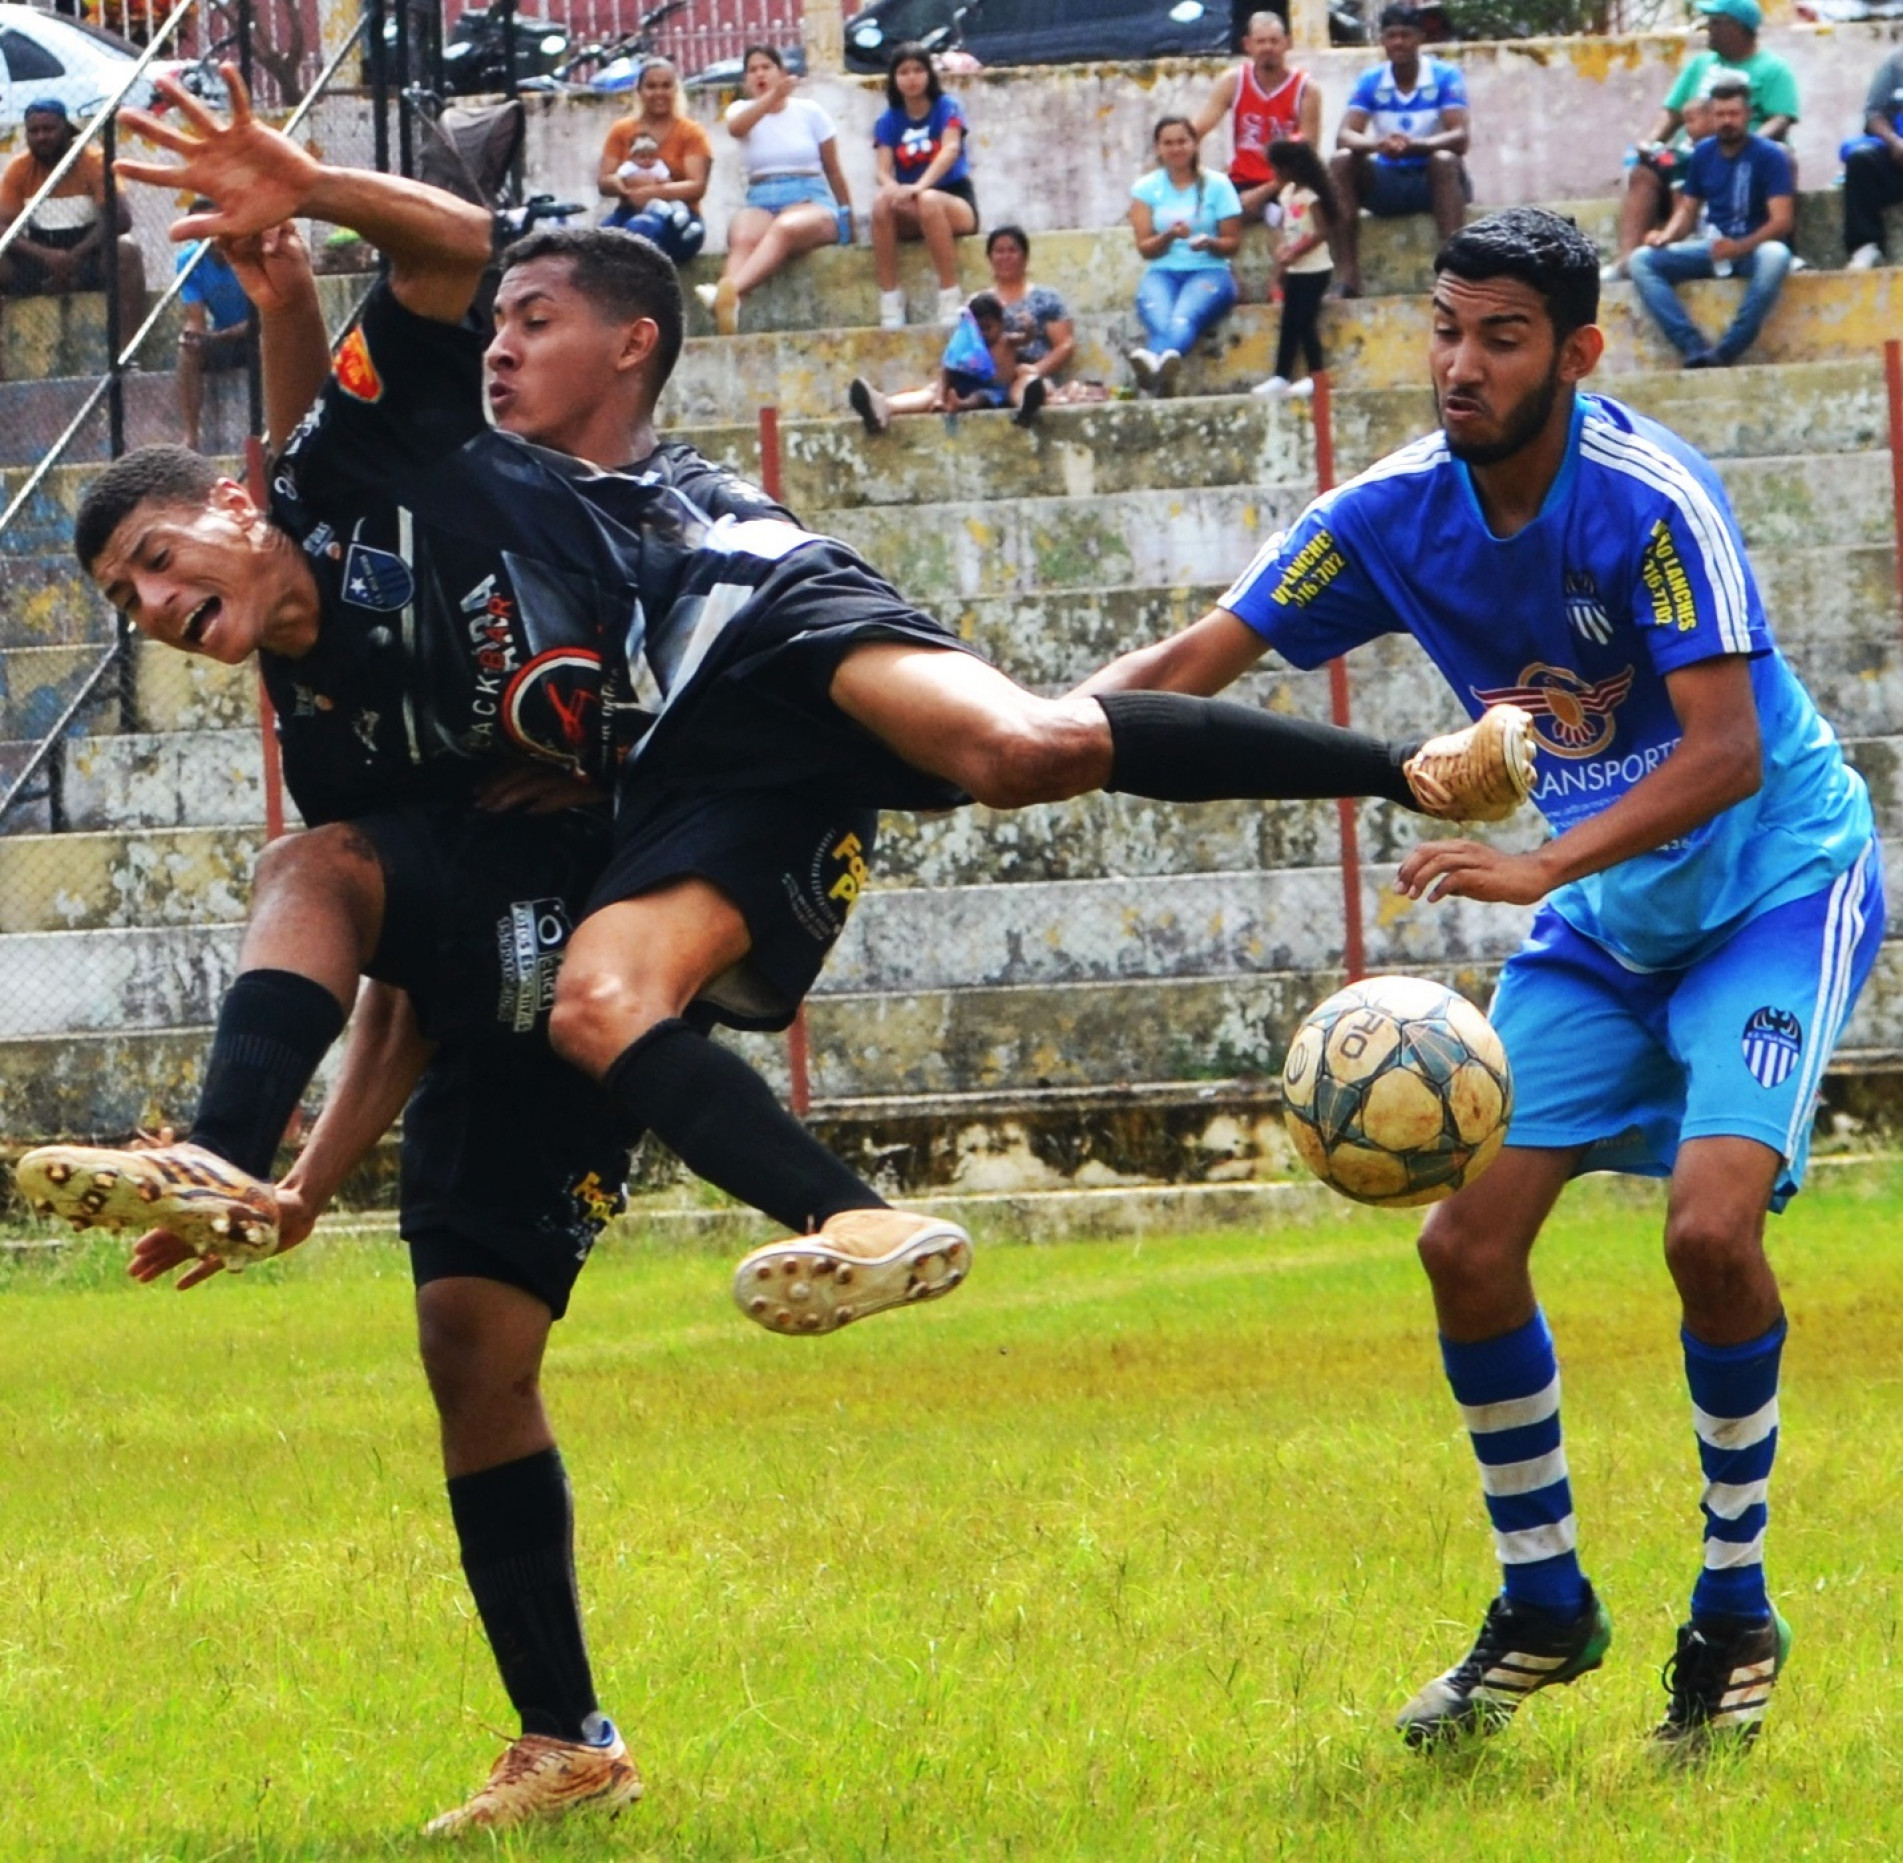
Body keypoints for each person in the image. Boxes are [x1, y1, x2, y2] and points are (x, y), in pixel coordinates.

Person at [1077, 205, 1881, 1754]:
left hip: (1772, 883)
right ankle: (1541, 1602)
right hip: (1603, 915)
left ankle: (1729, 1604)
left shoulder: (1649, 500)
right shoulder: (1388, 513)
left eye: (1498, 336)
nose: (1457, 363)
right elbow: (1195, 660)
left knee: (1708, 1229)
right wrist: (997, 735)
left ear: (1575, 352)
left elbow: (1718, 753)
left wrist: (1532, 865)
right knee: (1463, 1243)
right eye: (1443, 329)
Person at [1604, 0, 1797, 281]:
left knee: (1782, 159)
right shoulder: (1700, 65)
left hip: (1741, 154)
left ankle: (1780, 254)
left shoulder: (1774, 69)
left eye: (1716, 22)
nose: (1709, 29)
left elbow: (1781, 118)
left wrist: (1746, 148)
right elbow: (1671, 113)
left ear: (1738, 28)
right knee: (1645, 172)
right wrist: (1649, 143)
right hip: (1692, 153)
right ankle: (1627, 262)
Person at [1628, 77, 1793, 369]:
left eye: (1733, 114)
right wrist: (1665, 236)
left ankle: (1728, 350)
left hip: (1753, 248)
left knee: (1776, 256)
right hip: (1712, 247)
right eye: (1720, 114)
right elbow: (1688, 209)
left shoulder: (1770, 155)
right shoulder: (1703, 153)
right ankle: (1693, 347)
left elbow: (1782, 221)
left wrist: (1739, 247)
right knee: (1642, 260)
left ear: (1748, 116)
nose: (1727, 121)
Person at [695, 45, 851, 336]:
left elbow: (833, 168)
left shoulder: (810, 112)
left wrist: (846, 215)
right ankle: (729, 310)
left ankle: (728, 293)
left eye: (766, 67)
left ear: (781, 72)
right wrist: (771, 98)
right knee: (742, 235)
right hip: (762, 197)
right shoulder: (741, 110)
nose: (759, 74)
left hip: (809, 197)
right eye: (752, 70)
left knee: (784, 229)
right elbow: (737, 129)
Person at [1329, 4, 1471, 299]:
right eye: (1391, 35)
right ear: (1382, 39)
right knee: (1341, 161)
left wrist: (1414, 145)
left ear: (1420, 37)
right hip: (1389, 182)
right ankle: (1348, 275)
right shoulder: (1372, 80)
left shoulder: (1444, 76)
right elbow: (1344, 135)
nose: (1398, 43)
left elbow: (1460, 137)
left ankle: (1451, 274)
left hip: (1433, 181)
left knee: (1444, 160)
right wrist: (1378, 145)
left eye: (1406, 35)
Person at [0, 97, 147, 331]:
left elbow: (119, 217)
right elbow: (3, 227)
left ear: (66, 130)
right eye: (34, 131)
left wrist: (73, 256)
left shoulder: (93, 161)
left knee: (127, 250)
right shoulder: (19, 169)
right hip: (41, 259)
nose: (41, 137)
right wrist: (47, 256)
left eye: (48, 129)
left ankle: (127, 355)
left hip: (89, 254)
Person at [1127, 115, 1243, 397]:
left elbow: (1233, 242)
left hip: (1210, 270)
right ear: (1158, 148)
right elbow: (1145, 248)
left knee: (1183, 319)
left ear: (1194, 144)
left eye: (1182, 141)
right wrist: (1169, 236)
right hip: (1163, 271)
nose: (1176, 149)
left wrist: (1209, 242)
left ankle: (1152, 367)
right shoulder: (1145, 188)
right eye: (1168, 143)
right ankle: (1161, 367)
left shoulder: (1218, 184)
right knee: (1162, 318)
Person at [870, 42, 980, 329]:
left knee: (929, 200)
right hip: (910, 202)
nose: (911, 77)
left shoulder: (947, 107)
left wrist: (919, 186)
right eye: (903, 71)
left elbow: (950, 150)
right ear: (894, 79)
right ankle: (890, 297)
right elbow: (882, 171)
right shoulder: (888, 120)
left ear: (929, 74)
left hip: (953, 199)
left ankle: (949, 293)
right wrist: (893, 188)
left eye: (918, 70)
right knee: (881, 203)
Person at [1189, 11, 1322, 227]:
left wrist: (1263, 193)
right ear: (1247, 44)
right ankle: (1266, 213)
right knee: (1201, 214)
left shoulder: (1306, 90)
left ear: (1287, 43)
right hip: (1242, 180)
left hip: (1289, 181)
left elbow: (1308, 154)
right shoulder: (1233, 82)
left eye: (1274, 41)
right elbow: (1194, 132)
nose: (1267, 48)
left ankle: (1268, 211)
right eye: (1260, 41)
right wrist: (1192, 176)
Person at [848, 289, 1046, 432]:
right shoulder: (965, 344)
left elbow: (1025, 339)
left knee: (992, 393)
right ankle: (883, 406)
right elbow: (947, 369)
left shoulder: (1005, 341)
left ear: (1001, 324)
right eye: (979, 328)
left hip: (997, 391)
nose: (983, 334)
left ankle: (1026, 406)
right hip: (964, 386)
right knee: (931, 391)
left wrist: (1028, 327)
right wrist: (939, 397)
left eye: (988, 327)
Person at [596, 58, 712, 267]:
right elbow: (604, 182)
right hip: (628, 213)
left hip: (679, 219)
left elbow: (697, 187)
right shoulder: (621, 130)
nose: (659, 93)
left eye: (666, 86)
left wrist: (651, 192)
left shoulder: (691, 132)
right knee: (594, 244)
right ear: (639, 91)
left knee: (641, 228)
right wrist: (625, 185)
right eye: (651, 86)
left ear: (676, 90)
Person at [1253, 138, 1336, 400]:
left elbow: (1322, 231)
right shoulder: (1287, 194)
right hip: (1296, 271)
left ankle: (1316, 375)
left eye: (1277, 167)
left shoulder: (1310, 196)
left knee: (1305, 322)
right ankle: (1281, 375)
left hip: (1315, 270)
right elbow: (1283, 225)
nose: (1274, 173)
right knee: (1289, 323)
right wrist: (1282, 250)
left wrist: (1296, 252)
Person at [175, 202, 254, 450]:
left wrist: (220, 335)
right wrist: (192, 335)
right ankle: (190, 435)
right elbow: (195, 316)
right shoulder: (189, 260)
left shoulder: (248, 253)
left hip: (258, 334)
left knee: (267, 342)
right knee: (186, 353)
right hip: (224, 338)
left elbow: (264, 317)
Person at [982, 224, 1089, 401]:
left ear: (1025, 257)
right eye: (999, 251)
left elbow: (1065, 344)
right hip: (994, 375)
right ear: (990, 257)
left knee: (1028, 386)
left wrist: (1036, 369)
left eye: (1012, 250)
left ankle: (1031, 402)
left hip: (1033, 374)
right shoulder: (980, 302)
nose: (1005, 256)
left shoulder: (1046, 297)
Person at [1843, 45, 1903, 270]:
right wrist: (1895, 142)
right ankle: (1866, 246)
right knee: (1861, 159)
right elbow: (1873, 114)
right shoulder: (1895, 64)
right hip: (1899, 157)